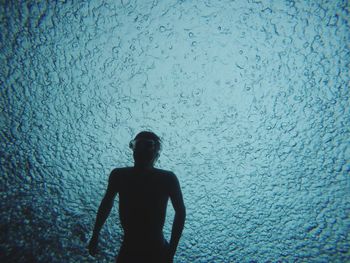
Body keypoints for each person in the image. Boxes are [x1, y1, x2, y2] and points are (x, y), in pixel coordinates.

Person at [88, 131, 186, 263]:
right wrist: (95, 235)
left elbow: (180, 212)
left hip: (150, 250)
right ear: (133, 148)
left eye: (148, 145)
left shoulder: (167, 178)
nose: (142, 150)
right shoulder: (119, 175)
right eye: (138, 145)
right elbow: (106, 203)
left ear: (156, 151)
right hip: (141, 250)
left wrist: (171, 252)